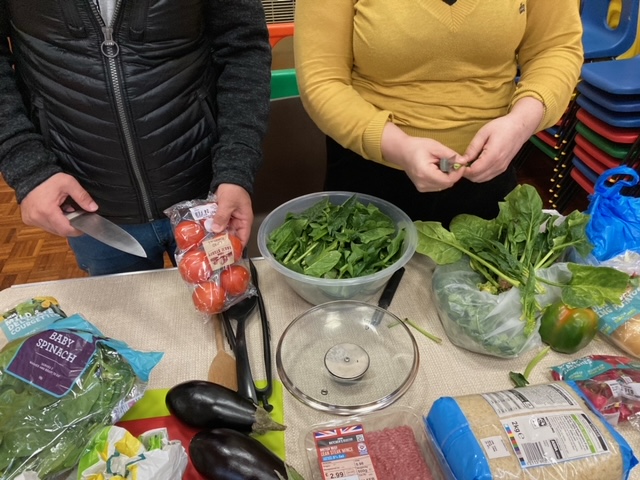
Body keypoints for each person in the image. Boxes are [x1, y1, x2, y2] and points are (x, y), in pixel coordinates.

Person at [0, 0, 272, 275]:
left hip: (208, 194)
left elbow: (242, 47)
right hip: (92, 206)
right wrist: (29, 169)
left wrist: (236, 167)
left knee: (228, 309)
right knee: (124, 316)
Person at [294, 0, 583, 227]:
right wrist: (400, 147)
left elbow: (555, 47)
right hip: (369, 174)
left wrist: (520, 124)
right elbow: (323, 79)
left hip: (490, 167)